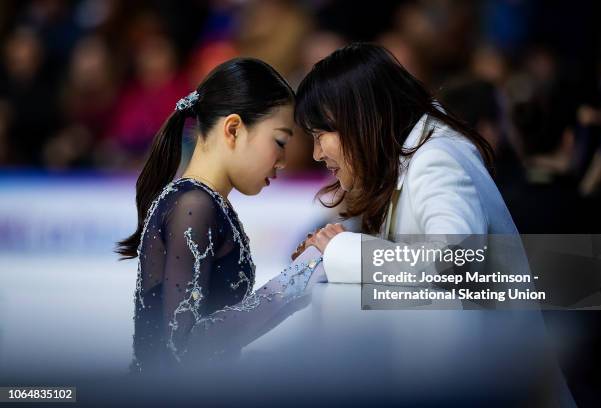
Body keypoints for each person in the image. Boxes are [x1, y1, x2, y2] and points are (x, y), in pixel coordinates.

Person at [116, 57, 323, 373]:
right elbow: (181, 348)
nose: (282, 160)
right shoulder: (193, 206)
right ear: (234, 129)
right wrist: (296, 280)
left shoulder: (206, 204)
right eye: (279, 141)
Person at [292, 43, 515, 282]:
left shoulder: (436, 158)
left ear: (358, 120)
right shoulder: (395, 164)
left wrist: (342, 250)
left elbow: (456, 262)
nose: (316, 154)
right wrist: (328, 257)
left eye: (319, 136)